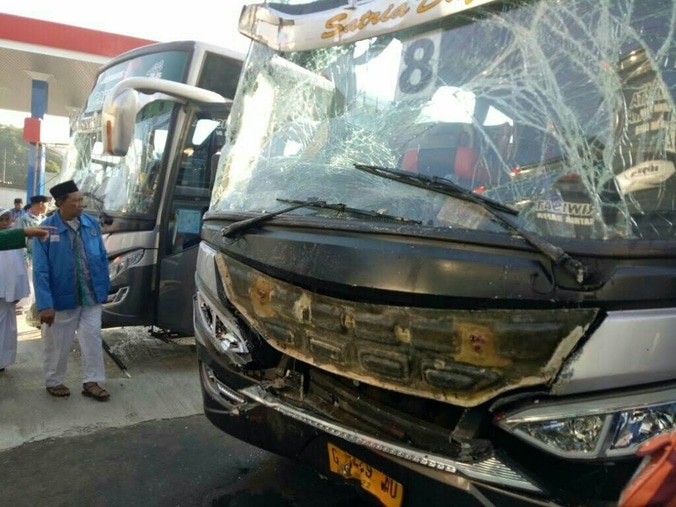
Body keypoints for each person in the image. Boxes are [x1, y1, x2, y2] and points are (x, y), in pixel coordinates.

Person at [32, 180, 112, 400]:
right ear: (60, 203)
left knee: (92, 338)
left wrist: (104, 286)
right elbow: (40, 270)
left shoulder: (91, 223)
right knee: (58, 343)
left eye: (81, 200)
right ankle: (54, 381)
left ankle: (93, 381)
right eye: (75, 201)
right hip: (61, 298)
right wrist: (45, 305)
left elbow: (101, 256)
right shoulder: (46, 229)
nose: (80, 204)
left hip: (91, 295)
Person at [0, 208, 31, 372]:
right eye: (1, 219)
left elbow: (18, 268)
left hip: (8, 296)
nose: (4, 223)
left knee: (6, 329)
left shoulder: (12, 241)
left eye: (7, 219)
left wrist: (17, 291)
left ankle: (2, 361)